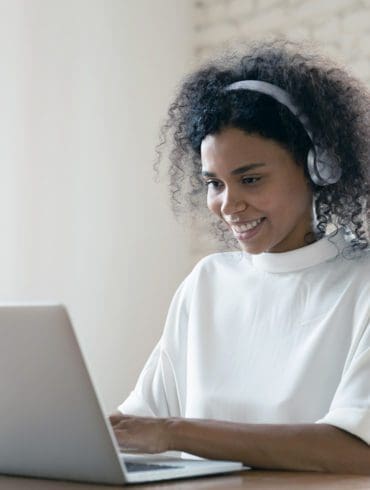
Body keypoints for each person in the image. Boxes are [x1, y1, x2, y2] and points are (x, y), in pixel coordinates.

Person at [110, 40, 370, 474]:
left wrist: (176, 432)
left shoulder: (361, 285)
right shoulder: (208, 282)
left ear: (318, 166)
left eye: (250, 179)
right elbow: (140, 425)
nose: (228, 205)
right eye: (215, 183)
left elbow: (357, 451)